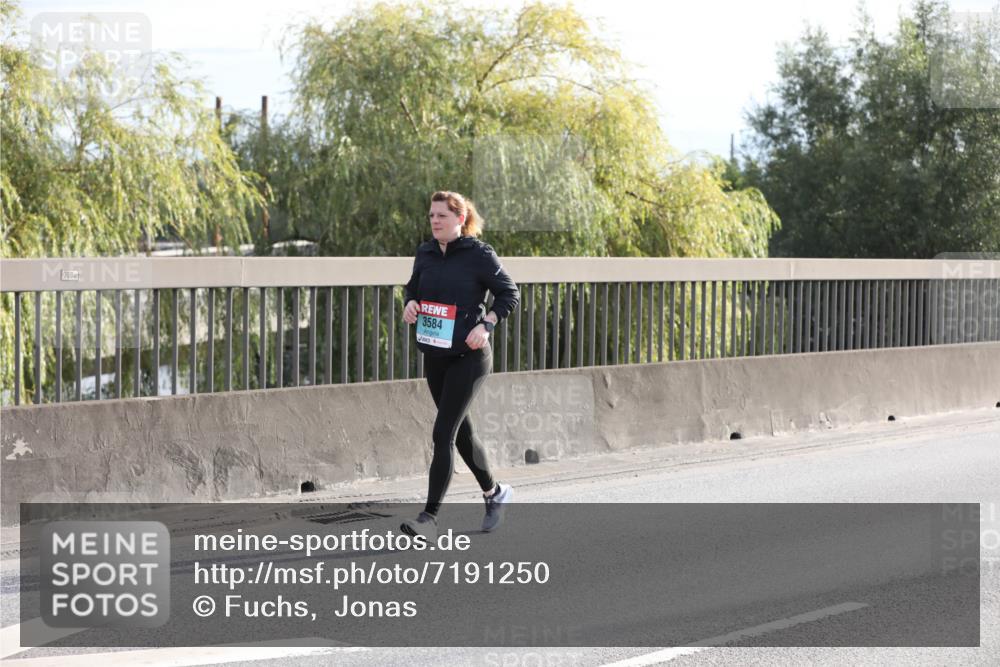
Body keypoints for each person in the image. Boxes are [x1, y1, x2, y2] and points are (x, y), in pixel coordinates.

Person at [399, 190, 520, 540]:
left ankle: (429, 518)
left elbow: (509, 293)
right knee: (461, 434)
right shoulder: (425, 253)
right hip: (436, 356)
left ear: (460, 219)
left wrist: (487, 325)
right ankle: (495, 493)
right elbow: (413, 289)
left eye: (442, 216)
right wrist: (410, 305)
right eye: (432, 215)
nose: (435, 221)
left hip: (470, 357)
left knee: (442, 433)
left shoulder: (479, 255)